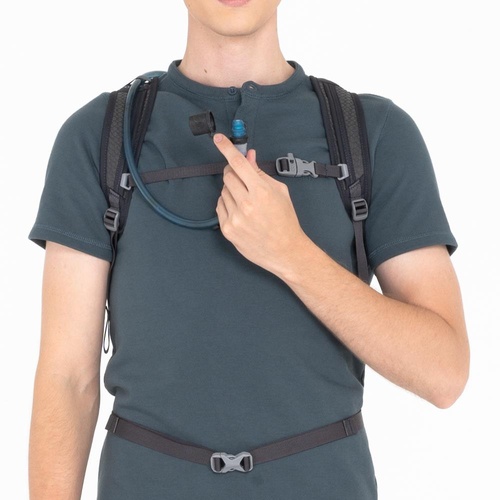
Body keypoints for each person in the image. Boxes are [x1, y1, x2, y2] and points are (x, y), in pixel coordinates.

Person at [28, 0, 469, 498]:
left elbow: (443, 373)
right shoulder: (99, 138)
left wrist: (292, 253)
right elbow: (67, 379)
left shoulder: (373, 133)